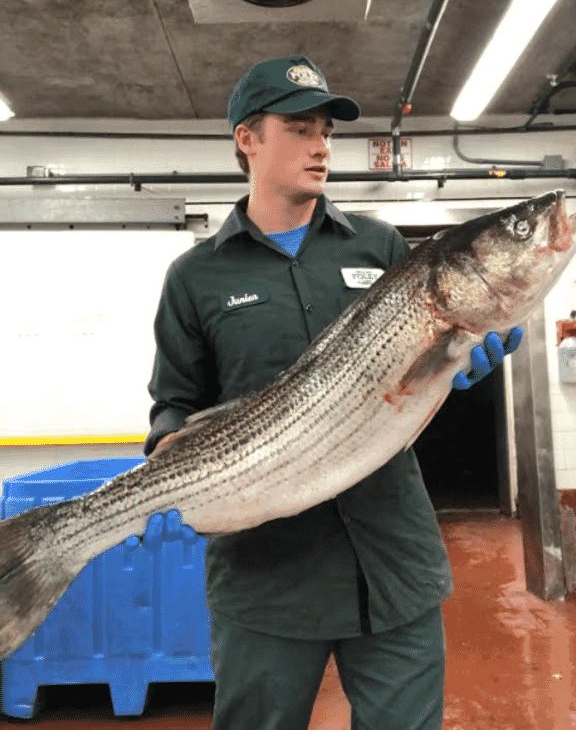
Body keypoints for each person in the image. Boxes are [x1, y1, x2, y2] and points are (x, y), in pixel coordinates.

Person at [140, 55, 522, 730]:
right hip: (266, 581)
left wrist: (460, 366)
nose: (320, 146)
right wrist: (170, 449)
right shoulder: (195, 276)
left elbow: (404, 390)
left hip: (393, 569)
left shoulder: (379, 247)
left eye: (326, 131)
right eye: (299, 128)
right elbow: (174, 400)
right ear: (247, 138)